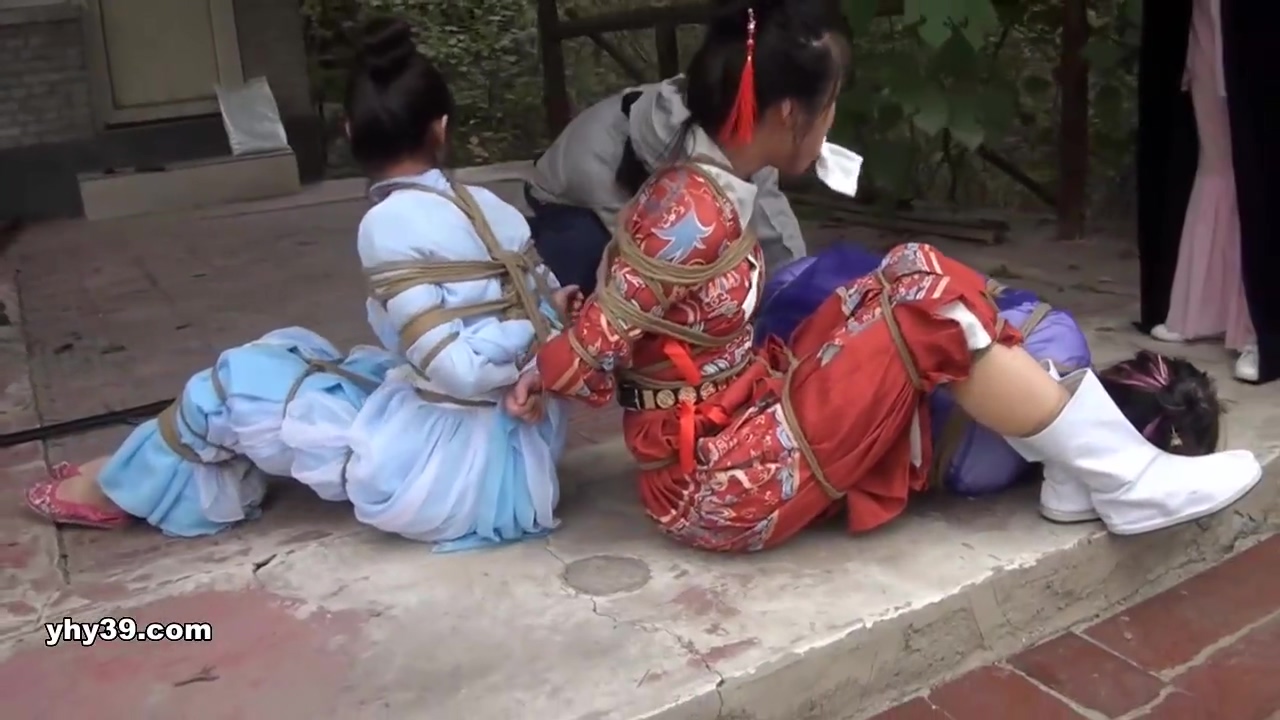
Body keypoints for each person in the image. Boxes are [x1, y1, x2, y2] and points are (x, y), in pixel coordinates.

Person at [505, 0, 1264, 552]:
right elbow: (592, 353)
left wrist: (599, 316)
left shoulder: (711, 186)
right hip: (715, 485)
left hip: (746, 413)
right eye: (831, 105)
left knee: (910, 270)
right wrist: (548, 364)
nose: (832, 123)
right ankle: (1122, 477)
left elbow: (624, 318)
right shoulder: (690, 210)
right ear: (791, 113)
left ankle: (1083, 474)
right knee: (921, 312)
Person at [27, 18, 579, 552]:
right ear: (441, 127)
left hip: (458, 476)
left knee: (230, 382)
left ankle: (120, 486)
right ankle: (157, 465)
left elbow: (457, 372)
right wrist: (529, 369)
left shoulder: (390, 223)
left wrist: (510, 372)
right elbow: (549, 316)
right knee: (302, 354)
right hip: (525, 446)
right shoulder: (490, 204)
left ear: (348, 132)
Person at [527, 75, 805, 297]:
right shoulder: (594, 164)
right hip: (565, 206)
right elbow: (639, 267)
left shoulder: (727, 121)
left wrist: (799, 279)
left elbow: (769, 210)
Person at [1137, 0, 1280, 383]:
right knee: (1217, 162)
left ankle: (1260, 328)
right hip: (1206, 17)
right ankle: (1200, 308)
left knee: (1262, 167)